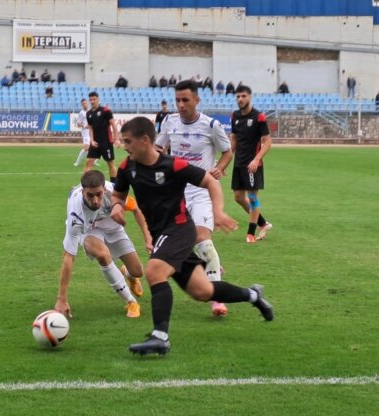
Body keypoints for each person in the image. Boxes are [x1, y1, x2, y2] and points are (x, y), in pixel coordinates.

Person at [112, 117, 274, 355]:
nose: (124, 146)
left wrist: (217, 211)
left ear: (145, 140)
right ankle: (254, 295)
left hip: (179, 229)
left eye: (128, 141)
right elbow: (118, 195)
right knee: (203, 291)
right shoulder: (127, 167)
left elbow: (210, 182)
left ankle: (160, 337)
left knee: (154, 271)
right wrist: (117, 206)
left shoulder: (173, 165)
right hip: (162, 235)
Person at [156, 79, 233, 317]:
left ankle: (217, 297)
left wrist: (219, 168)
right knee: (176, 242)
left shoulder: (211, 125)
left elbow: (227, 151)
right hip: (176, 191)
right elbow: (159, 148)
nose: (180, 105)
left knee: (201, 238)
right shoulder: (169, 122)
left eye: (185, 100)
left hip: (202, 190)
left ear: (197, 100)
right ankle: (211, 266)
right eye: (177, 100)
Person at [55, 170, 151, 319]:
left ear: (104, 189)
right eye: (90, 195)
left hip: (114, 229)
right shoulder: (76, 215)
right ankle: (131, 302)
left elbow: (136, 209)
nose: (95, 200)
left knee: (138, 271)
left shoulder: (114, 192)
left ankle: (128, 274)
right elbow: (68, 257)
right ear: (83, 192)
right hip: (89, 231)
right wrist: (61, 298)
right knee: (103, 255)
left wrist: (148, 238)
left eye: (98, 194)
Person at [230, 85, 273, 244]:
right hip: (238, 164)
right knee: (238, 197)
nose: (240, 99)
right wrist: (226, 160)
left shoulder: (259, 117)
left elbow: (267, 142)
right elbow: (234, 139)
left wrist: (256, 159)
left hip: (253, 166)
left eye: (243, 96)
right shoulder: (234, 116)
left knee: (253, 197)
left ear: (249, 97)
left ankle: (251, 233)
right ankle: (263, 223)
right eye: (238, 96)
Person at [84, 92, 120, 182]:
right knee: (88, 162)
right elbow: (90, 128)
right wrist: (92, 140)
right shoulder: (88, 113)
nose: (92, 101)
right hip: (95, 143)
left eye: (94, 99)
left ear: (98, 99)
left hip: (106, 142)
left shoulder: (106, 110)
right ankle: (84, 185)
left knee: (110, 164)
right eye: (90, 100)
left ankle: (114, 184)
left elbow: (113, 125)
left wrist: (117, 139)